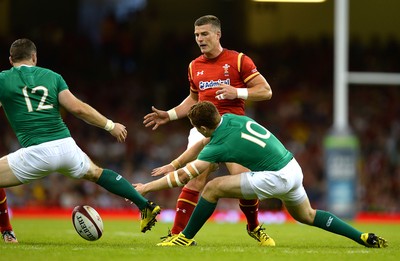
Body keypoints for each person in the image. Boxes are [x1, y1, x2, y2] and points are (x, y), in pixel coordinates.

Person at [136, 101, 388, 248]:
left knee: (212, 188)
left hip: (276, 176)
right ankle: (362, 236)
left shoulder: (219, 144)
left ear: (202, 127)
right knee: (307, 215)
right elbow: (201, 145)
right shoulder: (230, 118)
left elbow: (184, 177)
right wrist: (175, 162)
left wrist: (146, 189)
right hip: (292, 167)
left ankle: (184, 239)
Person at [0, 38, 160, 234]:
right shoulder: (53, 77)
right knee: (97, 173)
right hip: (66, 146)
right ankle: (144, 205)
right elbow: (78, 108)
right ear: (34, 57)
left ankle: (7, 231)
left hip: (36, 152)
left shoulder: (3, 79)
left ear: (10, 60)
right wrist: (110, 125)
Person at [143, 15, 273, 245]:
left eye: (204, 34)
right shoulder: (194, 66)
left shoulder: (239, 60)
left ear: (217, 34)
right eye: (196, 35)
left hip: (233, 130)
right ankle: (176, 236)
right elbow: (194, 98)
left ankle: (254, 227)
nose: (200, 39)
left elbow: (265, 91)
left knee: (243, 181)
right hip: (204, 129)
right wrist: (170, 115)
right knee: (194, 178)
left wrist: (238, 92)